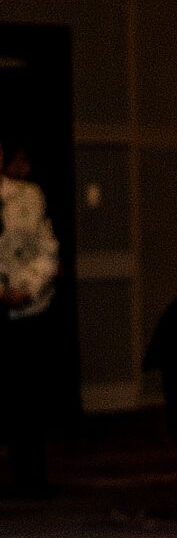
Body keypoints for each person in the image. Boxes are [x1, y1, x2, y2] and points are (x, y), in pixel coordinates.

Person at [0, 153, 61, 496]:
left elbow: (46, 247)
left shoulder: (27, 195)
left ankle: (31, 477)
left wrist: (27, 287)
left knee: (27, 394)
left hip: (26, 308)